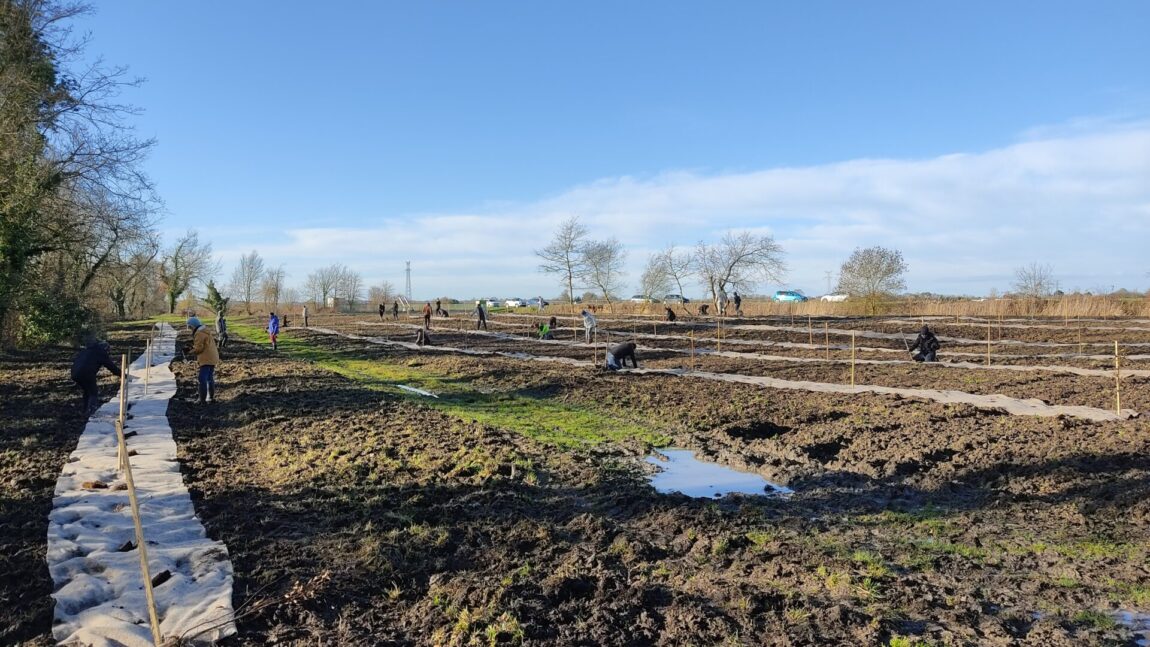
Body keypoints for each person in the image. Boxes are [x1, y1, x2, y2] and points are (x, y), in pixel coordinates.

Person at [71, 339, 120, 416]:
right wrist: (123, 375)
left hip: (75, 373)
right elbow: (112, 367)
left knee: (87, 390)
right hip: (86, 373)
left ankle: (85, 410)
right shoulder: (101, 353)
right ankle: (91, 412)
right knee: (93, 392)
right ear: (105, 348)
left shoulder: (87, 350)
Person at [187, 317, 220, 403]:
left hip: (206, 358)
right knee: (209, 378)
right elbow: (203, 345)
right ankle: (210, 398)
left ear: (193, 326)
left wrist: (190, 351)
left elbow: (199, 348)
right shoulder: (205, 331)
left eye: (190, 327)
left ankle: (202, 400)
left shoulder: (199, 333)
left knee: (202, 379)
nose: (190, 329)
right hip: (213, 357)